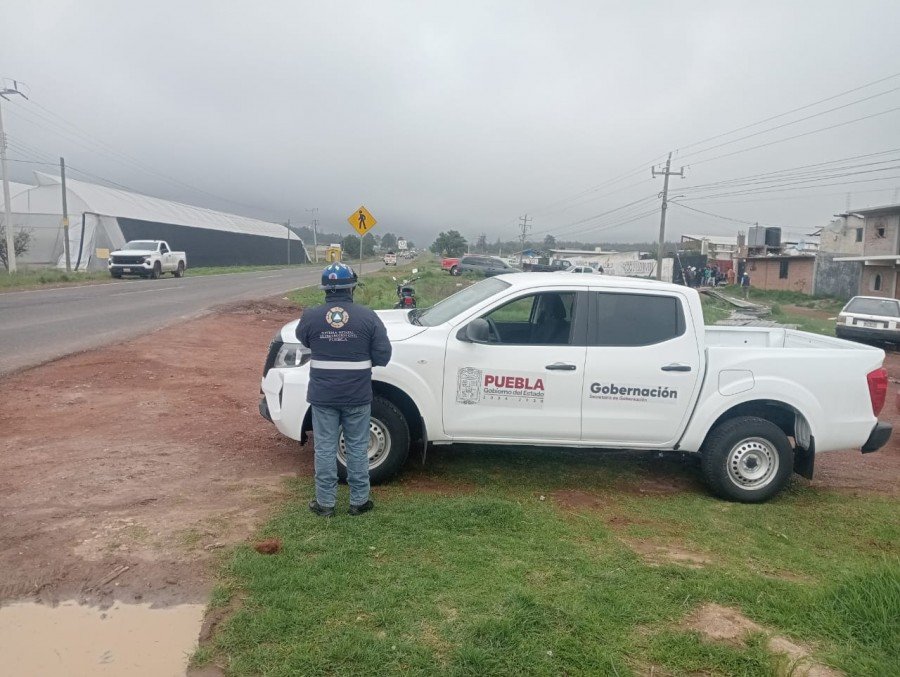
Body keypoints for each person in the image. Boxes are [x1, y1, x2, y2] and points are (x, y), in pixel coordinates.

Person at [295, 262, 392, 517]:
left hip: (323, 395)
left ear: (325, 289)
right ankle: (359, 501)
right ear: (352, 288)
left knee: (325, 448)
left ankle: (325, 504)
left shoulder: (310, 317)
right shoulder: (368, 316)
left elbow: (304, 339)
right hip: (356, 394)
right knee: (357, 447)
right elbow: (383, 356)